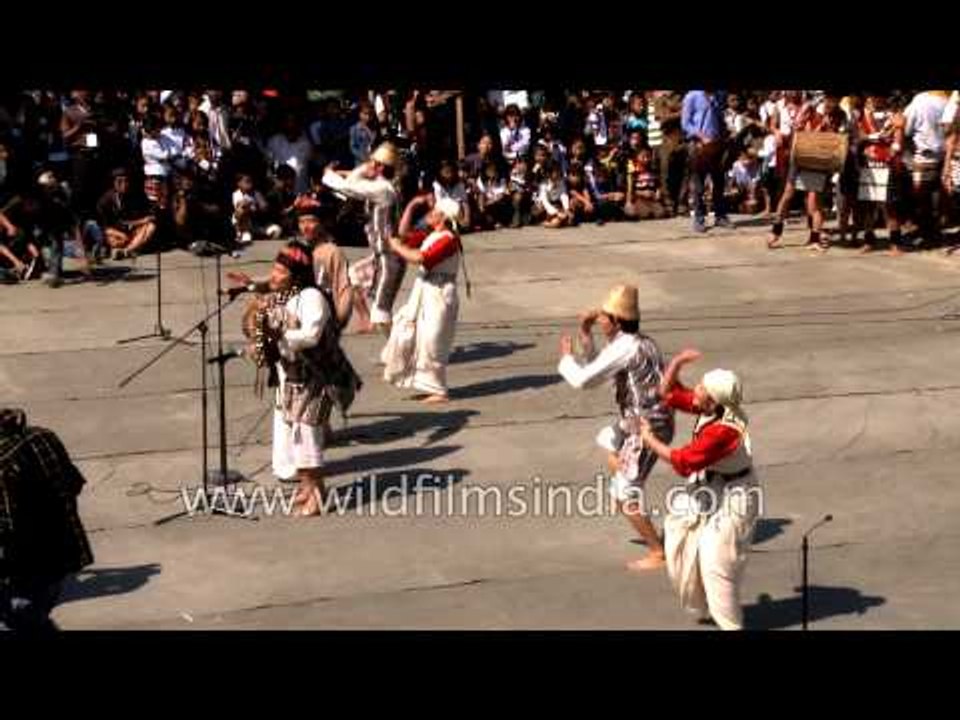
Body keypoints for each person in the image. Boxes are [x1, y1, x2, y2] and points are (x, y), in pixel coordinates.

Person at [635, 350, 759, 630]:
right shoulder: (712, 407)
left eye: (702, 387)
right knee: (681, 539)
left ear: (714, 399)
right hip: (710, 486)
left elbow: (683, 461)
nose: (697, 389)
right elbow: (668, 393)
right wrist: (677, 363)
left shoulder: (724, 430)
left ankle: (730, 625)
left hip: (734, 494)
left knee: (716, 561)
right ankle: (707, 606)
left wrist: (648, 439)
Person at [557, 284, 675, 570]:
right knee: (606, 439)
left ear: (618, 321)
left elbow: (585, 380)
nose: (600, 319)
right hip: (643, 420)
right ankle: (627, 478)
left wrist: (565, 359)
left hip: (646, 428)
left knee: (623, 494)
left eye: (604, 316)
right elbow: (601, 368)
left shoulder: (625, 347)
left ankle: (657, 551)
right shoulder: (641, 341)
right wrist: (586, 335)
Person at [246, 243, 359, 517]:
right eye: (274, 268)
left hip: (317, 377)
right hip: (295, 377)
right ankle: (308, 488)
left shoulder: (311, 297)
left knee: (308, 436)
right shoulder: (286, 296)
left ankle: (318, 494)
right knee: (297, 436)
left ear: (295, 275)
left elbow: (310, 335)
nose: (274, 275)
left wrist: (279, 338)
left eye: (280, 270)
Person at [0, 408, 94, 632]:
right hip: (64, 550)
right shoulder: (43, 436)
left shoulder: (3, 465)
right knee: (35, 618)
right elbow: (74, 482)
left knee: (22, 619)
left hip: (27, 568)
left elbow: (6, 528)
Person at [380, 197, 463, 404]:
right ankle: (428, 385)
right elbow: (403, 236)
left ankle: (439, 390)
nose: (430, 213)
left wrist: (397, 247)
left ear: (442, 217)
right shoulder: (432, 235)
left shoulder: (448, 239)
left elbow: (420, 258)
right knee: (418, 336)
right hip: (426, 289)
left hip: (439, 293)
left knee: (433, 341)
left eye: (434, 210)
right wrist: (411, 205)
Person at [322, 142, 401, 335]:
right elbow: (353, 185)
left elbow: (348, 187)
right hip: (380, 256)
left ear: (381, 167)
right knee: (351, 278)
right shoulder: (381, 186)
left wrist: (330, 175)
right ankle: (367, 321)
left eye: (373, 163)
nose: (369, 165)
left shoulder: (383, 188)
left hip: (389, 258)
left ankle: (402, 352)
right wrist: (346, 173)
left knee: (382, 314)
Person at [767, 94, 849, 252]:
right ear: (826, 98)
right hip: (801, 155)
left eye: (836, 100)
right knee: (787, 195)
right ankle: (776, 230)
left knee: (814, 203)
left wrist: (829, 130)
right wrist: (816, 127)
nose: (833, 103)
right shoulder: (810, 107)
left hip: (821, 160)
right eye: (831, 99)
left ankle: (814, 238)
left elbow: (839, 139)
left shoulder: (841, 115)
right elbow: (798, 129)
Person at [903, 91, 950, 247]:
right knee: (937, 195)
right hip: (945, 155)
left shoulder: (920, 99)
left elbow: (906, 127)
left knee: (921, 197)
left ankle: (927, 235)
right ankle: (934, 232)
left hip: (923, 156)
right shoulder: (949, 100)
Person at [681, 90, 731, 232]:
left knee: (719, 181)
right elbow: (685, 123)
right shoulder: (692, 96)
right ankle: (699, 218)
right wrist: (701, 136)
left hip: (717, 143)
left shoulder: (720, 95)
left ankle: (720, 216)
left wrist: (725, 134)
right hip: (698, 144)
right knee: (699, 183)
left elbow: (720, 118)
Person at [96, 167, 156, 260]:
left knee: (150, 227)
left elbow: (141, 217)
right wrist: (140, 222)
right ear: (113, 183)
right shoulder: (105, 201)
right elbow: (105, 227)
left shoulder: (134, 196)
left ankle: (126, 251)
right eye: (119, 181)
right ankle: (127, 248)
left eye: (126, 181)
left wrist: (143, 221)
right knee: (115, 240)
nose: (123, 185)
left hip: (131, 232)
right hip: (116, 233)